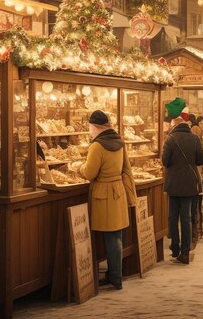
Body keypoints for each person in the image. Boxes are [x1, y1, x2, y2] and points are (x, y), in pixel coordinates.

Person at [78, 110, 136, 290]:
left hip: (103, 194)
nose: (89, 131)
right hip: (118, 191)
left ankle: (115, 277)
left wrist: (77, 167)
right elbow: (127, 168)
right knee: (116, 235)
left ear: (96, 127)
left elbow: (89, 173)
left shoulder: (97, 146)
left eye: (89, 127)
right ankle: (114, 274)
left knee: (111, 238)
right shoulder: (119, 142)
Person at [161, 102, 203, 264]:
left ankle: (174, 248)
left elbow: (165, 161)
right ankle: (185, 252)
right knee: (186, 217)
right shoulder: (194, 138)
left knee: (173, 216)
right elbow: (201, 159)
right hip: (189, 184)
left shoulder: (170, 139)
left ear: (173, 125)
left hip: (173, 184)